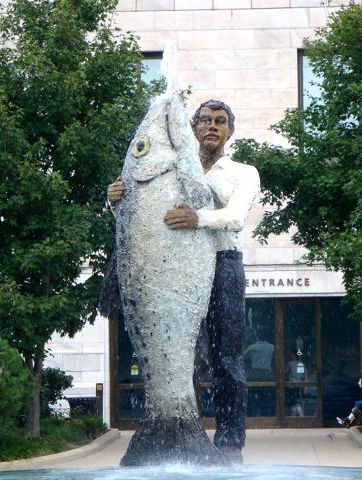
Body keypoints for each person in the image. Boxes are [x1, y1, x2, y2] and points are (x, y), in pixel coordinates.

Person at [108, 99, 260, 463]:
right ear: (193, 128)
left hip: (223, 263)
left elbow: (237, 217)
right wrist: (113, 199)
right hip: (176, 269)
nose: (212, 126)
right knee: (179, 354)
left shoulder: (244, 172)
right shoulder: (176, 167)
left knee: (227, 359)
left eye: (220, 121)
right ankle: (180, 436)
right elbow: (144, 212)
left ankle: (228, 444)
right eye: (205, 120)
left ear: (230, 130)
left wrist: (198, 219)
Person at [285, 350, 308, 417]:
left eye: (291, 354)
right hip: (299, 386)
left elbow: (285, 374)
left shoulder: (290, 363)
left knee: (295, 404)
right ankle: (294, 419)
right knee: (296, 403)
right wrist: (306, 387)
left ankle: (301, 418)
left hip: (292, 386)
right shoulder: (301, 364)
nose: (290, 355)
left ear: (293, 355)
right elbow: (305, 375)